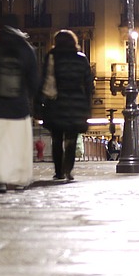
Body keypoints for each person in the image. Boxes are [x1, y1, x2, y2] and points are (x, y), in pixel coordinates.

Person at [0, 23, 40, 193]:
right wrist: (26, 98)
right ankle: (17, 177)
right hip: (18, 109)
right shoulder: (27, 50)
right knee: (15, 145)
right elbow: (33, 82)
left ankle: (0, 181)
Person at [38, 29, 93, 181]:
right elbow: (88, 84)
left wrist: (39, 102)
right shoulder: (81, 59)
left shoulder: (51, 56)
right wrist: (87, 106)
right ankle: (68, 170)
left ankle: (58, 172)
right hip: (76, 103)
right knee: (71, 139)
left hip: (56, 103)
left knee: (56, 139)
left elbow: (44, 80)